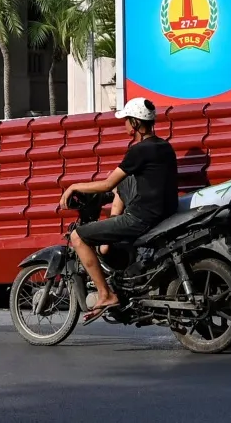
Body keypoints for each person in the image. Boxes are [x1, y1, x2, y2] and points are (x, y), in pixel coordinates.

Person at [59, 97, 178, 319]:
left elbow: (107, 184)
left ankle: (105, 294)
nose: (124, 124)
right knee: (123, 183)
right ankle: (108, 250)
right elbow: (121, 184)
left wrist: (74, 186)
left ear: (135, 123)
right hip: (164, 214)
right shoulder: (164, 147)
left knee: (78, 237)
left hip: (141, 218)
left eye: (126, 120)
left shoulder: (139, 151)